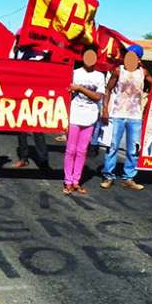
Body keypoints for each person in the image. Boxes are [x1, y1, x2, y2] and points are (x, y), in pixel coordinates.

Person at [100, 44, 152, 190]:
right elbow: (108, 89)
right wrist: (105, 109)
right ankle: (108, 176)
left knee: (133, 148)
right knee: (113, 146)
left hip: (135, 116)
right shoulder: (118, 71)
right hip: (117, 114)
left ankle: (128, 178)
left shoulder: (143, 72)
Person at [63, 48, 105, 194]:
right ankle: (67, 181)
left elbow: (98, 97)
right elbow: (66, 92)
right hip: (75, 114)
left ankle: (76, 181)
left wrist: (80, 88)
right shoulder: (74, 73)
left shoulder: (100, 76)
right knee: (71, 150)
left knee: (82, 151)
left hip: (90, 116)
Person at [12, 43, 50, 170]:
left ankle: (43, 161)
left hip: (37, 93)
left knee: (37, 129)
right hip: (21, 92)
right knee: (21, 128)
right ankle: (23, 158)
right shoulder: (18, 51)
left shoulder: (42, 51)